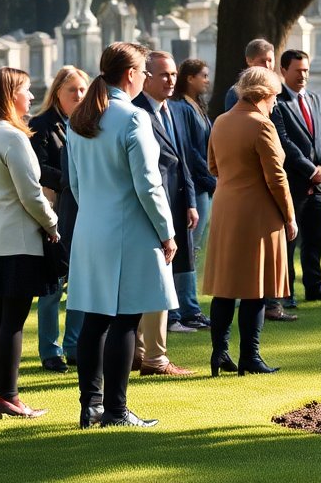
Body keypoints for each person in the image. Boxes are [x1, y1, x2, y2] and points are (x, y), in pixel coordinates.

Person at [66, 42, 179, 429]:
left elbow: (76, 185)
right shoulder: (132, 117)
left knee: (95, 320)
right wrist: (167, 233)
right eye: (145, 72)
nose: (147, 78)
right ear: (130, 74)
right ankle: (115, 410)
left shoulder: (80, 117)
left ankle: (91, 406)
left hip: (90, 228)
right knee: (126, 320)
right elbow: (148, 185)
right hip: (128, 230)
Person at [0, 67, 59, 419]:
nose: (32, 96)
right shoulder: (13, 137)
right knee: (13, 321)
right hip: (18, 239)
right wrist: (52, 224)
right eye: (26, 90)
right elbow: (31, 194)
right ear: (10, 96)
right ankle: (10, 395)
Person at [202, 67, 300, 375]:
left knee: (226, 287)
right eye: (274, 98)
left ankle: (219, 353)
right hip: (257, 211)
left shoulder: (220, 121)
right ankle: (250, 356)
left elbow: (212, 166)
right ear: (265, 95)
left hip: (225, 207)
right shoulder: (262, 125)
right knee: (255, 288)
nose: (275, 104)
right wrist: (289, 215)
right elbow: (276, 177)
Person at [131, 51, 200, 374]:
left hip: (176, 201)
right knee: (152, 280)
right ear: (146, 77)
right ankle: (146, 354)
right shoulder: (137, 112)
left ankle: (146, 352)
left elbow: (182, 157)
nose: (171, 80)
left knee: (170, 274)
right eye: (163, 75)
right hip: (151, 206)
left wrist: (190, 201)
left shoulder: (174, 110)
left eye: (173, 74)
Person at [27, 65, 89, 374]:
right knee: (53, 286)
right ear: (57, 93)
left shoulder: (89, 124)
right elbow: (36, 167)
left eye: (82, 90)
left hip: (84, 213)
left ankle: (74, 345)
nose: (78, 95)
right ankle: (50, 350)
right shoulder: (41, 124)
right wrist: (70, 180)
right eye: (72, 90)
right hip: (53, 210)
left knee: (80, 283)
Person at [275, 49, 321, 303]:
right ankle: (286, 292)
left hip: (319, 183)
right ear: (284, 71)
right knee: (290, 240)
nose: (303, 75)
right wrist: (311, 170)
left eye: (306, 70)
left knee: (315, 239)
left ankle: (315, 287)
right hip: (294, 183)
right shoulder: (277, 103)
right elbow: (284, 142)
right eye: (298, 71)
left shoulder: (316, 99)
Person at [170, 58, 215, 326]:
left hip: (203, 184)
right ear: (190, 78)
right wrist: (211, 178)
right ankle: (186, 308)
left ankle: (189, 305)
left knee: (194, 248)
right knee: (190, 248)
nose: (207, 80)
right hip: (196, 186)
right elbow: (190, 151)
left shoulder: (196, 106)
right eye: (203, 76)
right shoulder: (181, 107)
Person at [224, 38, 275, 113]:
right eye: (262, 61)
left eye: (270, 60)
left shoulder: (278, 91)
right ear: (249, 61)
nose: (267, 66)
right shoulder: (236, 93)